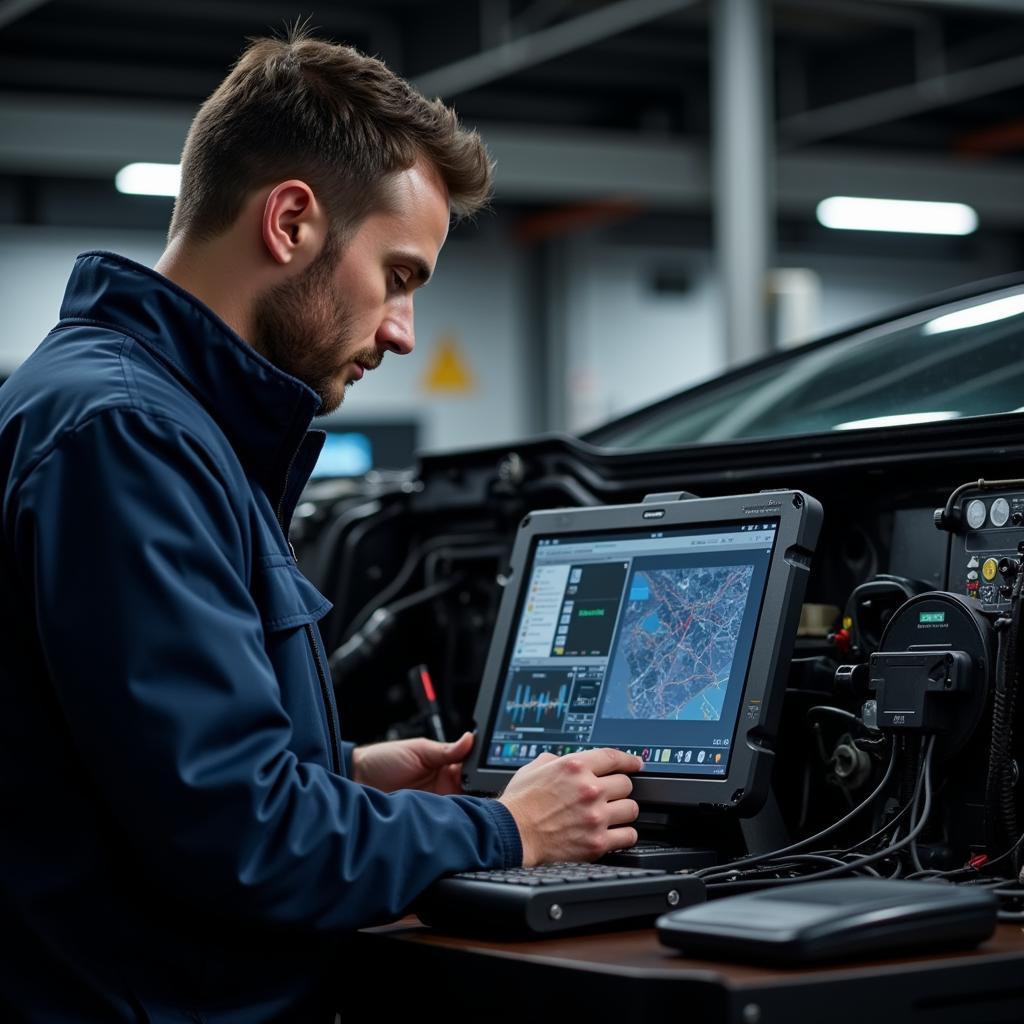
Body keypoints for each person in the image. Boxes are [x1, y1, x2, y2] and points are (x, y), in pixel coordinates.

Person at [0, 29, 642, 1022]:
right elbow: (236, 836)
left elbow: (116, 767)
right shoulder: (129, 436)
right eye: (397, 276)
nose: (401, 331)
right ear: (292, 220)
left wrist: (337, 772)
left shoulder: (135, 415)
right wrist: (506, 831)